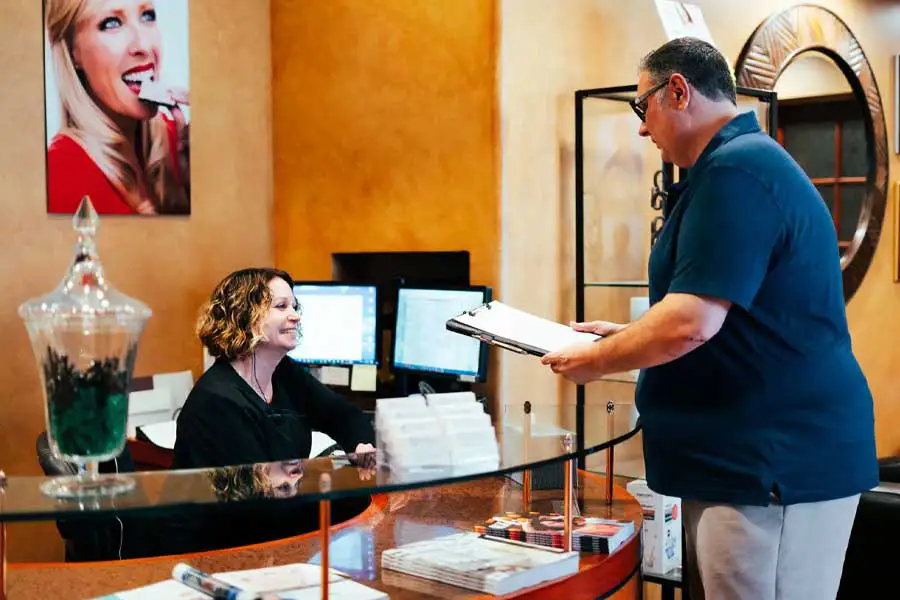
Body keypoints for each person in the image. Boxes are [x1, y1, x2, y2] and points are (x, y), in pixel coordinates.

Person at [541, 37, 877, 600]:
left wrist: (596, 361)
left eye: (640, 107)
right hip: (741, 456)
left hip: (771, 463)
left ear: (678, 91)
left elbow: (690, 323)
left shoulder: (738, 172)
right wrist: (624, 337)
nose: (642, 130)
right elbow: (727, 311)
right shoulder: (730, 167)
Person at [174, 267, 375, 469]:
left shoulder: (284, 372)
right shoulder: (216, 401)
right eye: (281, 306)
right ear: (245, 317)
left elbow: (343, 415)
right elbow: (258, 491)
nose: (295, 316)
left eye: (294, 307)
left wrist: (361, 445)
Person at [44, 0, 190, 215]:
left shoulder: (178, 143)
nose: (144, 46)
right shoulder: (59, 174)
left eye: (147, 16)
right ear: (72, 51)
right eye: (112, 23)